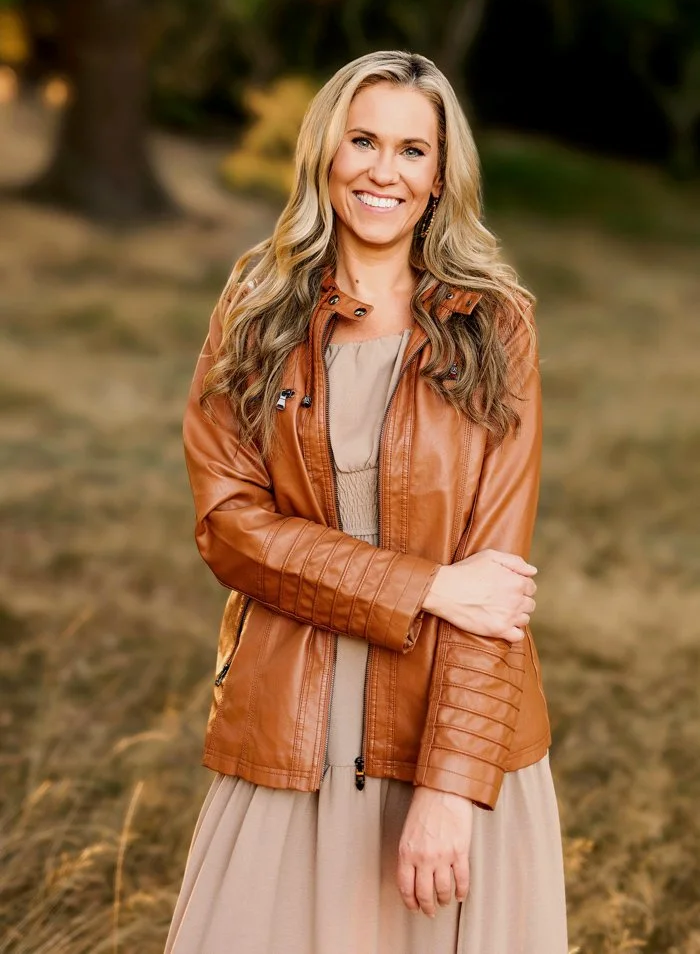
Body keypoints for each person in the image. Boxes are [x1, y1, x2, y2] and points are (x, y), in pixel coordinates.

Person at [164, 50, 568, 954]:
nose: (384, 170)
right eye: (363, 141)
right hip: (291, 716)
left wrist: (450, 790)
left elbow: (493, 591)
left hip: (446, 721)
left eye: (412, 151)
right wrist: (422, 586)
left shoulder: (493, 325)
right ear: (325, 155)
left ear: (438, 176)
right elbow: (230, 530)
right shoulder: (258, 303)